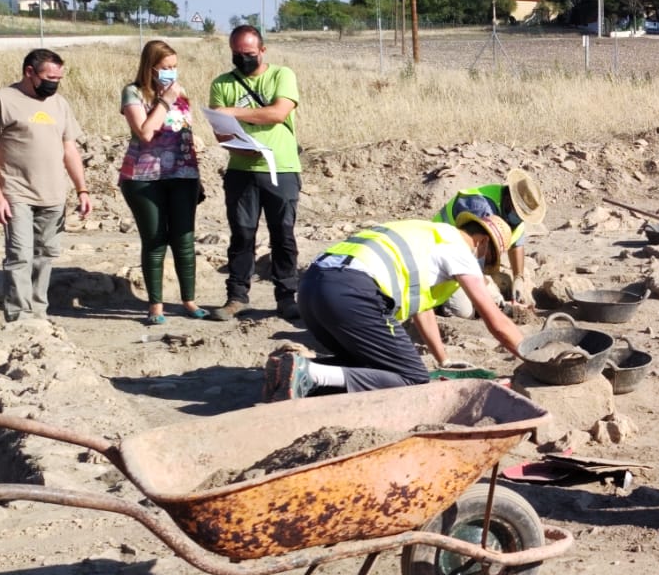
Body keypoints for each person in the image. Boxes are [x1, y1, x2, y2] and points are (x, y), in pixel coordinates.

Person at [266, 212, 528, 398]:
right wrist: (532, 358)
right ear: (482, 241)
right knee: (413, 378)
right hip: (352, 293)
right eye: (489, 256)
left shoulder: (426, 233)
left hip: (313, 288)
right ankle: (310, 374)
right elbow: (495, 319)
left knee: (370, 365)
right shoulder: (460, 250)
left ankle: (287, 371)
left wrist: (443, 359)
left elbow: (421, 307)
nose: (483, 261)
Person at [0, 47, 92, 323]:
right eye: (49, 77)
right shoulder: (1, 100)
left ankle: (38, 312)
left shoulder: (60, 104)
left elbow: (69, 148)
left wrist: (82, 189)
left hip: (53, 195)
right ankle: (19, 316)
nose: (54, 83)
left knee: (44, 256)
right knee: (20, 255)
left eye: (59, 78)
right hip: (16, 193)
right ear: (29, 72)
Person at [207, 25, 301, 321]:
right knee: (241, 235)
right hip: (241, 169)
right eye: (237, 54)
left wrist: (233, 112)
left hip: (281, 168)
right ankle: (236, 297)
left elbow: (277, 113)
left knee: (283, 234)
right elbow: (219, 130)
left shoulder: (281, 75)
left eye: (248, 53)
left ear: (262, 50)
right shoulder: (222, 84)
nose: (243, 59)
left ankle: (287, 297)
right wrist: (239, 144)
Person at [119, 38, 209, 324]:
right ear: (151, 67)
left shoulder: (182, 95)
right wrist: (164, 101)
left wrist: (197, 171)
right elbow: (145, 132)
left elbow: (183, 133)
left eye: (175, 66)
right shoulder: (133, 93)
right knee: (155, 239)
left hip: (183, 175)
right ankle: (155, 305)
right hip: (144, 177)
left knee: (183, 238)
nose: (172, 72)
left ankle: (189, 301)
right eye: (165, 67)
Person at [433, 169, 545, 311]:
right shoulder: (481, 207)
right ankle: (438, 305)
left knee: (499, 286)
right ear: (509, 199)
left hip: (471, 257)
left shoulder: (514, 216)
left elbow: (517, 242)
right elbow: (473, 264)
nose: (520, 218)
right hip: (443, 256)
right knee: (465, 310)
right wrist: (496, 299)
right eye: (519, 212)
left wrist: (518, 278)